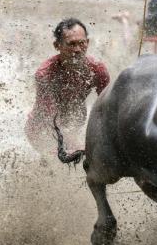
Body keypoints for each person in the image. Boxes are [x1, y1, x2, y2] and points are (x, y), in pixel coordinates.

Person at [25, 18, 110, 154]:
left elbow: (108, 107)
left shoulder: (97, 70)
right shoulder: (45, 74)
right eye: (71, 44)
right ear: (57, 45)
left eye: (81, 43)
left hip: (73, 124)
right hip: (41, 130)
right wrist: (73, 143)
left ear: (88, 43)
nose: (77, 50)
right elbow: (48, 115)